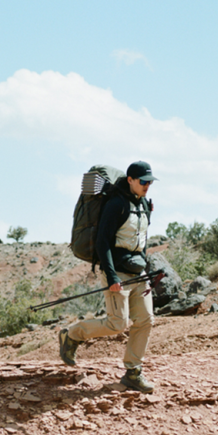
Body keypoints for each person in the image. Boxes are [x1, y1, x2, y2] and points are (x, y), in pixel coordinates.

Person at [59, 161, 157, 393]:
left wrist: (146, 270)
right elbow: (103, 242)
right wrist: (112, 276)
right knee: (117, 324)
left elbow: (141, 240)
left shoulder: (143, 204)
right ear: (131, 180)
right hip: (117, 272)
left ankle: (133, 372)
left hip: (138, 272)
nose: (147, 186)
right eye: (143, 181)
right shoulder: (116, 204)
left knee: (145, 320)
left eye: (150, 182)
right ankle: (71, 335)